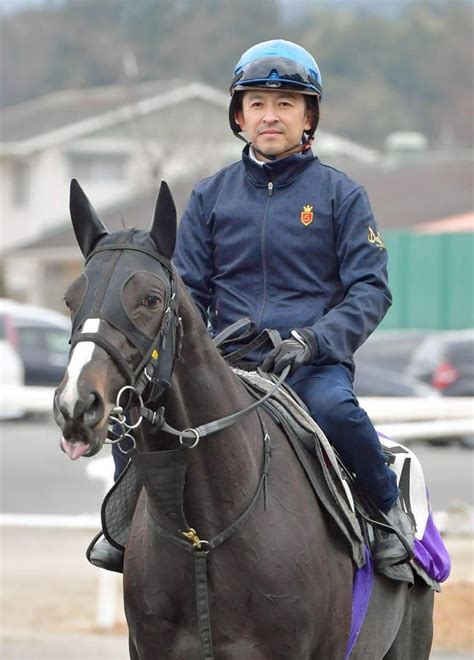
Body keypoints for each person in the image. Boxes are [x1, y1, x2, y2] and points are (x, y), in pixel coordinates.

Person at [90, 38, 414, 572]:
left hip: (310, 365)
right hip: (226, 361)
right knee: (140, 408)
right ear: (238, 116)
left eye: (286, 104)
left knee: (337, 411)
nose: (271, 116)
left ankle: (388, 516)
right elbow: (188, 290)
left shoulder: (343, 196)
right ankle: (127, 524)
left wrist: (313, 341)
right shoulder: (210, 197)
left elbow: (370, 291)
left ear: (309, 117)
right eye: (257, 104)